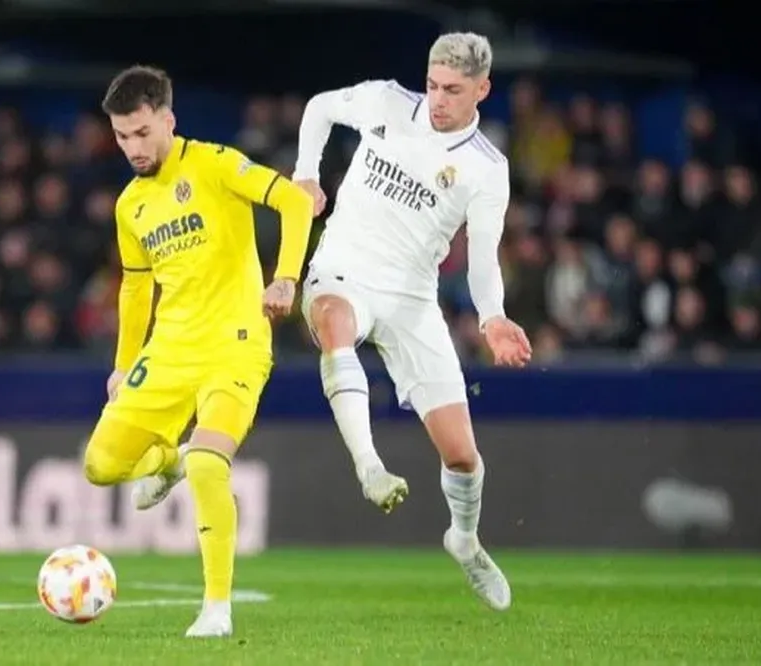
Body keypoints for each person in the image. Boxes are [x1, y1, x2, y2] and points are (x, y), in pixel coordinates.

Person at [292, 32, 532, 611]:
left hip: (412, 300)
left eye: (453, 90)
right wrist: (306, 172)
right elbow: (321, 106)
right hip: (343, 267)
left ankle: (465, 540)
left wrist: (493, 317)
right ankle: (371, 467)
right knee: (334, 324)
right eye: (432, 84)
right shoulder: (386, 102)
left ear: (482, 90)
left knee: (463, 458)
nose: (438, 98)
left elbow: (483, 255)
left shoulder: (485, 169)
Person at [83, 65, 314, 637]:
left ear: (167, 120)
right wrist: (122, 363)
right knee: (100, 466)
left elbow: (294, 202)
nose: (132, 148)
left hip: (235, 344)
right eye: (121, 137)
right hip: (169, 350)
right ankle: (167, 461)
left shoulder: (213, 163)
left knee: (210, 461)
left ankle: (216, 608)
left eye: (141, 133)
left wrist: (286, 278)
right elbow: (137, 286)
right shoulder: (129, 205)